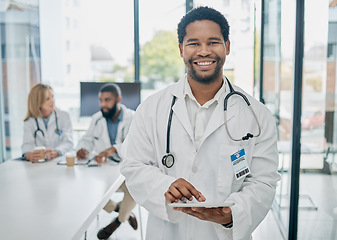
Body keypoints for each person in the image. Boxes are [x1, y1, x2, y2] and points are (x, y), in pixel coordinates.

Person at [120, 6, 280, 240]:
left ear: (227, 46)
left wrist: (232, 214)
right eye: (194, 43)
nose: (203, 51)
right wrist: (165, 186)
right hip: (167, 232)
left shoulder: (256, 114)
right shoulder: (151, 109)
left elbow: (263, 180)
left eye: (213, 42)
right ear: (181, 50)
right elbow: (133, 166)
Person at [75, 83, 138, 239]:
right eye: (101, 100)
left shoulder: (133, 117)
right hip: (105, 170)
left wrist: (114, 149)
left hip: (125, 168)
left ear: (118, 99)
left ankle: (117, 222)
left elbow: (135, 144)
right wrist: (82, 149)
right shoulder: (97, 119)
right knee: (88, 192)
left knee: (135, 188)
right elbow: (87, 139)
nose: (103, 104)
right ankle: (124, 211)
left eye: (107, 100)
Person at [22, 83, 73, 162]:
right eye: (47, 98)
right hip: (38, 164)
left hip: (59, 162)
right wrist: (28, 155)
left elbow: (68, 142)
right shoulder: (30, 122)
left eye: (52, 97)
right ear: (37, 101)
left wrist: (57, 152)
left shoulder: (64, 116)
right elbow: (27, 144)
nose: (52, 101)